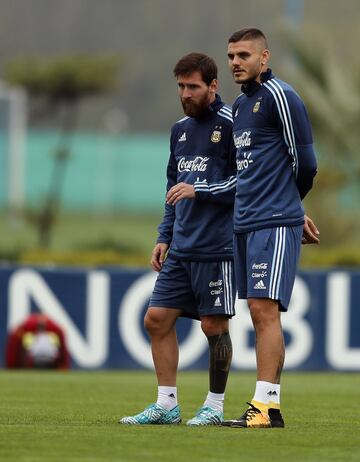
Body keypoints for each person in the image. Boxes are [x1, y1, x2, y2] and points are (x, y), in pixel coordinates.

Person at [120, 52, 237, 426]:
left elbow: (245, 183)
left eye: (194, 86)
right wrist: (164, 235)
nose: (186, 94)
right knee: (156, 319)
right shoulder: (179, 130)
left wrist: (199, 190)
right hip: (181, 247)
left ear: (213, 86)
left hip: (217, 247)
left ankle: (215, 407)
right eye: (181, 87)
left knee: (213, 327)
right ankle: (167, 405)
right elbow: (173, 186)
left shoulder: (233, 125)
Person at [220, 28, 319, 429]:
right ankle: (265, 408)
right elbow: (243, 171)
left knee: (265, 311)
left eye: (243, 55)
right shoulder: (240, 108)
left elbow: (306, 162)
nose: (235, 63)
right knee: (258, 311)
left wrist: (291, 206)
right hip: (245, 222)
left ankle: (266, 408)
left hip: (274, 221)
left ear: (264, 57)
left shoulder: (281, 96)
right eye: (230, 56)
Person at [5, 313, 70, 369]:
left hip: (46, 358)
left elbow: (63, 351)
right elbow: (13, 348)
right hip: (34, 358)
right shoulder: (27, 328)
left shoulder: (54, 330)